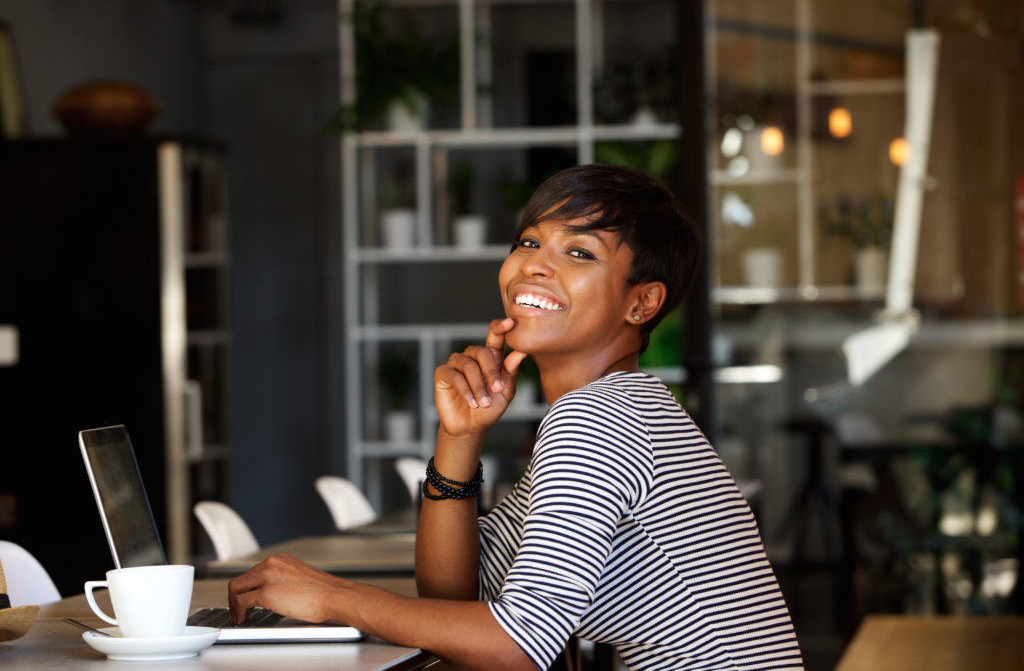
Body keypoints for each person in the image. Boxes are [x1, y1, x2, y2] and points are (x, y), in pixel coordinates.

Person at [228, 164, 804, 670]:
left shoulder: (600, 418)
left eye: (579, 253)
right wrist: (459, 437)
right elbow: (456, 601)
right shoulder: (619, 406)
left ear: (642, 303)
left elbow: (514, 647)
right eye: (529, 242)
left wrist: (333, 597)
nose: (535, 267)